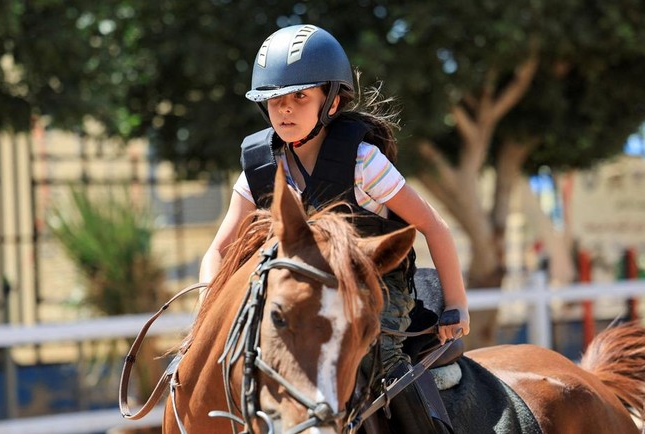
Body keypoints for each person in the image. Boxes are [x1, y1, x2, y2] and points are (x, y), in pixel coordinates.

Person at [200, 24, 470, 434]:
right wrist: (208, 312)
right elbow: (218, 251)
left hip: (373, 283)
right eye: (274, 100)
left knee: (382, 358)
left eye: (299, 97)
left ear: (333, 101)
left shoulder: (364, 161)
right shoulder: (258, 168)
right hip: (302, 288)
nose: (284, 109)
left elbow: (434, 226)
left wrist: (457, 304)